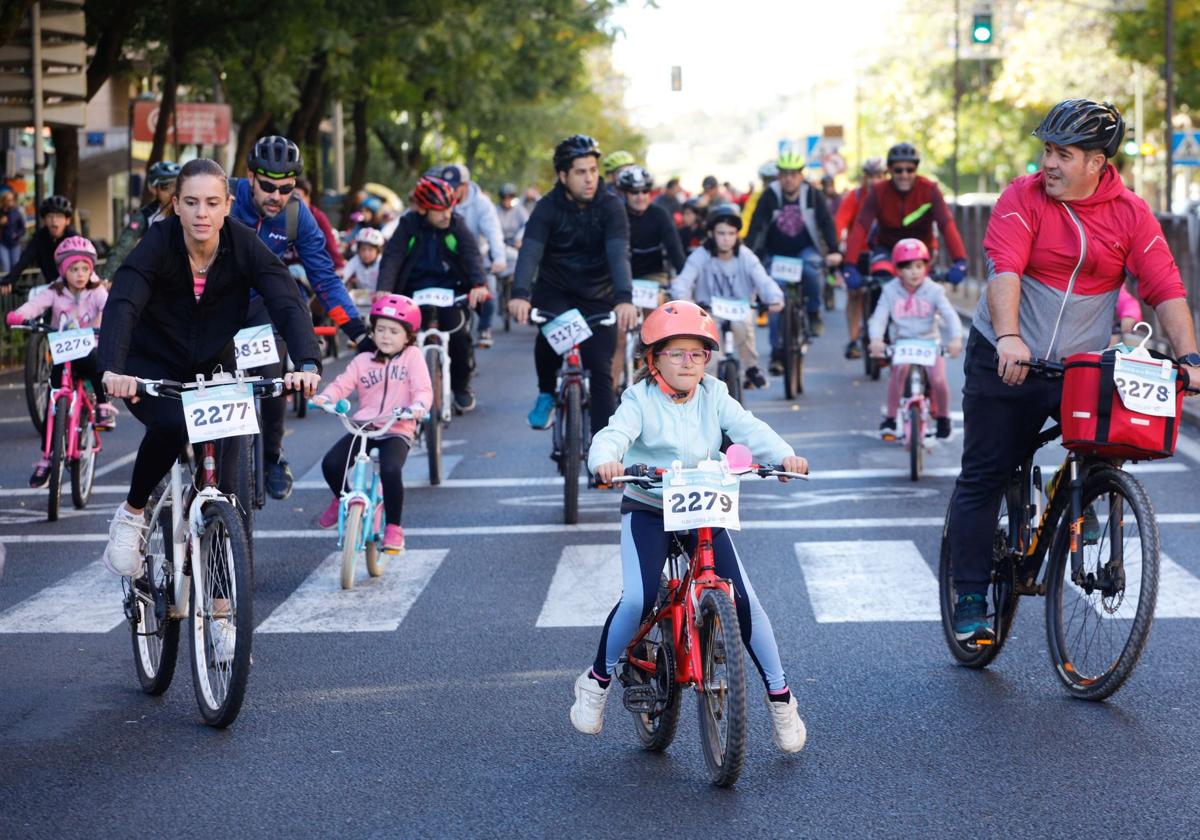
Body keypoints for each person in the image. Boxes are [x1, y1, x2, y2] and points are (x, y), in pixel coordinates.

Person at [946, 99, 1200, 642]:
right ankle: (969, 593)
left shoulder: (1129, 213)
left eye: (1063, 154)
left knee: (1104, 449)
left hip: (1078, 370)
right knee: (986, 470)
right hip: (1007, 357)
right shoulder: (1022, 196)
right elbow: (1005, 266)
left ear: (1097, 162)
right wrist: (1010, 337)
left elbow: (1165, 285)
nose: (1049, 164)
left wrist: (1191, 358)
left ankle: (1089, 510)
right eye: (1046, 151)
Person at [575, 299, 809, 752]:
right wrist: (605, 460)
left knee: (744, 601)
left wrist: (782, 455)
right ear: (653, 359)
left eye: (698, 353)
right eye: (677, 353)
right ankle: (596, 681)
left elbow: (750, 428)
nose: (688, 362)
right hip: (649, 507)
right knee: (640, 597)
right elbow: (613, 434)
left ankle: (781, 698)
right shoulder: (638, 399)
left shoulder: (714, 394)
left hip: (703, 509)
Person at [97, 158, 322, 581]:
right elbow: (124, 302)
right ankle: (131, 514)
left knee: (227, 488)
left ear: (227, 206)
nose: (202, 213)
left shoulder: (242, 244)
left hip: (216, 362)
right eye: (192, 202)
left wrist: (306, 361)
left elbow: (285, 297)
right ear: (176, 206)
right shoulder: (158, 243)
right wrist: (112, 368)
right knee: (172, 425)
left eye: (212, 203)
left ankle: (222, 608)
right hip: (151, 362)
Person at [231, 135, 369, 500]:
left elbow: (324, 278)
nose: (276, 196)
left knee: (272, 368)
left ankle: (273, 456)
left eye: (286, 187)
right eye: (267, 186)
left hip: (260, 304)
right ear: (249, 177)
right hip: (211, 303)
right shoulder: (223, 199)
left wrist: (355, 328)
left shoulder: (296, 215)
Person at [508, 134, 638, 433]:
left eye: (593, 170)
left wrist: (624, 298)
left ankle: (605, 456)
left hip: (599, 294)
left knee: (600, 370)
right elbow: (530, 251)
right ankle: (546, 394)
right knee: (550, 339)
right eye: (581, 172)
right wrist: (520, 294)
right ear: (563, 175)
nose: (589, 179)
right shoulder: (546, 208)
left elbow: (619, 254)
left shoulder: (611, 207)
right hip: (556, 292)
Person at [313, 294, 432, 554]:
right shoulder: (362, 360)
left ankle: (394, 528)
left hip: (396, 427)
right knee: (332, 463)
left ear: (408, 336)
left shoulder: (412, 357)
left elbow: (423, 389)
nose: (386, 336)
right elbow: (342, 384)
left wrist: (418, 407)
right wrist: (325, 398)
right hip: (363, 427)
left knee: (390, 470)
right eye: (380, 330)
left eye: (393, 331)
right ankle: (342, 498)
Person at [7, 236, 114, 487]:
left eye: (85, 269)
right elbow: (34, 306)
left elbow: (111, 308)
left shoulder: (96, 291)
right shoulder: (54, 291)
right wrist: (19, 315)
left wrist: (113, 322)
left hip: (88, 350)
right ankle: (47, 458)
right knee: (53, 405)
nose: (80, 275)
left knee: (97, 365)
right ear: (63, 271)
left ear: (92, 270)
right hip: (63, 354)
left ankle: (102, 405)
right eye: (74, 269)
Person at [376, 174, 489, 412]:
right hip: (413, 294)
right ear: (423, 210)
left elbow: (471, 254)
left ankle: (461, 386)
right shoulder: (408, 225)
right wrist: (384, 288)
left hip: (451, 291)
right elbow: (393, 256)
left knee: (458, 335)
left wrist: (479, 284)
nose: (446, 215)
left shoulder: (456, 225)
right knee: (400, 341)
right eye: (439, 210)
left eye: (449, 208)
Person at [670, 202, 783, 389]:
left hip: (740, 310)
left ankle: (751, 368)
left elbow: (763, 279)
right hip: (708, 313)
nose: (726, 239)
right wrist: (684, 300)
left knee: (744, 326)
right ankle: (707, 388)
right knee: (710, 356)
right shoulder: (700, 255)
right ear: (711, 234)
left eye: (731, 234)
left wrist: (775, 298)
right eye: (721, 233)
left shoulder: (745, 256)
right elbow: (683, 281)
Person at [745, 148, 841, 365]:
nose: (789, 179)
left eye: (793, 174)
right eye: (784, 174)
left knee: (811, 273)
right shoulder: (770, 195)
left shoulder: (812, 194)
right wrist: (750, 254)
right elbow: (757, 226)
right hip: (776, 255)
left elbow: (826, 223)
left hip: (805, 251)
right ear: (779, 175)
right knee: (775, 299)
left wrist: (834, 250)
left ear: (801, 175)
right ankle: (777, 353)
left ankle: (814, 311)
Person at [866, 238, 963, 439]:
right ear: (898, 270)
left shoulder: (934, 290)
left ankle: (944, 418)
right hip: (902, 342)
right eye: (907, 267)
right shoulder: (890, 290)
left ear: (926, 267)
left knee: (938, 380)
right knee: (898, 373)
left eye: (919, 266)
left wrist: (955, 339)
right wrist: (876, 339)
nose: (914, 272)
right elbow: (879, 318)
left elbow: (950, 315)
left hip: (930, 342)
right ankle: (891, 418)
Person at [843, 143, 969, 295]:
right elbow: (861, 226)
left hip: (920, 251)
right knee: (881, 281)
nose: (904, 175)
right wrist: (850, 265)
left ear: (916, 169)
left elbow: (946, 224)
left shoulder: (930, 190)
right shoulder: (878, 191)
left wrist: (960, 260)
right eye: (898, 170)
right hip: (886, 248)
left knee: (928, 293)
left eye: (910, 170)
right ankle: (879, 317)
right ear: (889, 170)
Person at [435, 164, 506, 348]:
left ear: (465, 185)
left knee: (486, 288)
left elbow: (493, 231)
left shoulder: (482, 203)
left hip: (475, 256)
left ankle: (485, 328)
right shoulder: (440, 199)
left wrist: (498, 258)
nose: (449, 190)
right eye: (446, 185)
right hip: (447, 258)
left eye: (454, 186)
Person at [835, 157, 886, 359]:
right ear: (864, 177)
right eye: (870, 176)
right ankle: (854, 339)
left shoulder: (890, 197)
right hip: (857, 253)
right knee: (854, 294)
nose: (874, 181)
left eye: (878, 176)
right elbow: (839, 222)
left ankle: (883, 337)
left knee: (885, 293)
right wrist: (837, 246)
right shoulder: (854, 196)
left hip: (882, 253)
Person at [100, 161, 180, 281]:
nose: (172, 191)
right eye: (166, 186)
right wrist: (105, 278)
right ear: (153, 189)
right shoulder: (145, 215)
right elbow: (123, 246)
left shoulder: (190, 211)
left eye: (177, 186)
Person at [1, 195, 77, 294]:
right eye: (50, 216)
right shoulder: (40, 238)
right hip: (51, 291)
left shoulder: (74, 239)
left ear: (67, 220)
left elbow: (87, 264)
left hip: (74, 291)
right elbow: (24, 260)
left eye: (59, 216)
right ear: (44, 220)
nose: (54, 220)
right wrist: (8, 280)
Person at [293, 176, 345, 271]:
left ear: (308, 199)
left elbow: (331, 244)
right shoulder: (280, 216)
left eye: (298, 198)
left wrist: (339, 266)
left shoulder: (317, 217)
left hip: (312, 269)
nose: (294, 203)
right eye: (291, 198)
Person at [342, 227, 385, 307]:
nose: (366, 253)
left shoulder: (383, 262)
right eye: (363, 249)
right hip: (361, 296)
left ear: (378, 251)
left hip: (378, 299)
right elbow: (344, 275)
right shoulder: (356, 260)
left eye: (370, 250)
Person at [740, 162, 778, 238]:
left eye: (772, 180)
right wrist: (740, 235)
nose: (769, 184)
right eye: (766, 180)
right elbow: (747, 217)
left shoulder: (790, 195)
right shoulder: (757, 196)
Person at [1, 188, 28, 275]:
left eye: (12, 200)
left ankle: (14, 286)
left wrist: (17, 235)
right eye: (8, 200)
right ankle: (4, 286)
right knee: (5, 266)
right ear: (3, 201)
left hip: (14, 244)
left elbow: (23, 229)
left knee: (15, 265)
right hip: (2, 243)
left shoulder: (16, 212)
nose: (10, 202)